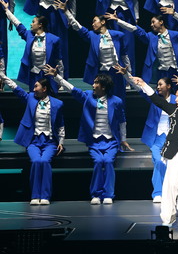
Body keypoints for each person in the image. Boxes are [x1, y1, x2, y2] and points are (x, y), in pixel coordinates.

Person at [44, 64, 134, 205]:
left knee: (109, 162)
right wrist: (56, 76)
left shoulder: (116, 101)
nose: (93, 85)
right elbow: (72, 89)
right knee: (98, 162)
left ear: (103, 87)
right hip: (95, 141)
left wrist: (123, 139)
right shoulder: (88, 97)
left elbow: (122, 121)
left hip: (111, 141)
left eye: (96, 82)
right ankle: (96, 194)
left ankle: (109, 194)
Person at [129, 75, 178, 227]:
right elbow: (157, 100)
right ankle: (168, 218)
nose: (175, 99)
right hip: (173, 155)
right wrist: (143, 84)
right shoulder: (174, 110)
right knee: (169, 187)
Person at [114, 63, 177, 203]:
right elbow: (139, 86)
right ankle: (158, 193)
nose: (158, 86)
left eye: (161, 84)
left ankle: (169, 191)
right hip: (157, 137)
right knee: (159, 161)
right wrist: (126, 75)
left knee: (170, 164)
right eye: (158, 85)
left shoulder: (177, 100)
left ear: (169, 86)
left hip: (173, 137)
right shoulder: (155, 99)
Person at [0, 72, 65, 205]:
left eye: (36, 86)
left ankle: (45, 195)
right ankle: (35, 195)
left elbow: (60, 125)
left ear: (44, 88)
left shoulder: (57, 104)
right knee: (36, 161)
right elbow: (15, 87)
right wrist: (2, 75)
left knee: (45, 161)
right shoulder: (30, 98)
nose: (34, 89)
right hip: (34, 141)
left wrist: (61, 142)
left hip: (50, 142)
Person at [54, 0, 131, 103]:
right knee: (101, 101)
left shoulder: (118, 35)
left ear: (103, 22)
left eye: (95, 21)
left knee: (119, 101)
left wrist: (129, 77)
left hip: (117, 72)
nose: (92, 24)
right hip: (102, 73)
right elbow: (77, 26)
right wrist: (66, 11)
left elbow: (124, 56)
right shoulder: (92, 35)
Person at [106, 12, 178, 90]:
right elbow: (134, 29)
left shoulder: (176, 35)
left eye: (153, 22)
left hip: (175, 71)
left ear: (161, 22)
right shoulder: (150, 36)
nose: (151, 25)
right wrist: (118, 20)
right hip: (161, 72)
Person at [0, 0, 63, 94]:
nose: (31, 24)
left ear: (40, 25)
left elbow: (59, 61)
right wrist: (6, 10)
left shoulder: (54, 39)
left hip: (47, 75)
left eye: (33, 22)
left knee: (49, 98)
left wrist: (60, 80)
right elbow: (17, 23)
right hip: (34, 75)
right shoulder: (29, 35)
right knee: (34, 96)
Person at [24, 0, 76, 82]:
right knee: (42, 45)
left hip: (59, 11)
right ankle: (41, 78)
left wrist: (72, 15)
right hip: (43, 10)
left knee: (60, 47)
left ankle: (61, 79)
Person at [96, 0, 139, 76]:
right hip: (111, 12)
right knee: (114, 44)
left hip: (127, 14)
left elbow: (135, 1)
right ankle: (114, 75)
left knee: (129, 45)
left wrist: (136, 16)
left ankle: (129, 76)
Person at [0, 0, 14, 73]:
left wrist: (11, 18)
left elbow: (11, 2)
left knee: (2, 46)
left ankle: (2, 75)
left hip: (2, 18)